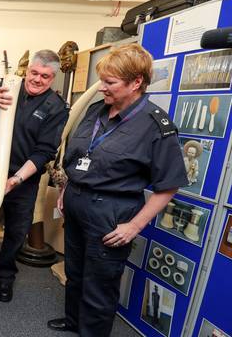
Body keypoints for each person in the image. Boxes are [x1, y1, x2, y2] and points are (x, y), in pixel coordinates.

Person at [47, 44, 187, 336]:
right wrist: (66, 191)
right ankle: (74, 321)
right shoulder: (97, 112)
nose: (102, 89)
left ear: (136, 82)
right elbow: (80, 158)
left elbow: (168, 186)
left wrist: (134, 226)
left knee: (100, 283)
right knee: (75, 272)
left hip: (110, 213)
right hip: (76, 202)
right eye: (102, 81)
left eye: (110, 82)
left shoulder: (155, 125)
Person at [0, 50, 69, 304]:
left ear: (52, 79)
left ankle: (6, 277)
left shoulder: (57, 107)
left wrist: (16, 180)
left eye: (45, 76)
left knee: (17, 233)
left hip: (24, 179)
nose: (37, 79)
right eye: (34, 73)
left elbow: (44, 153)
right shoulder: (8, 86)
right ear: (27, 70)